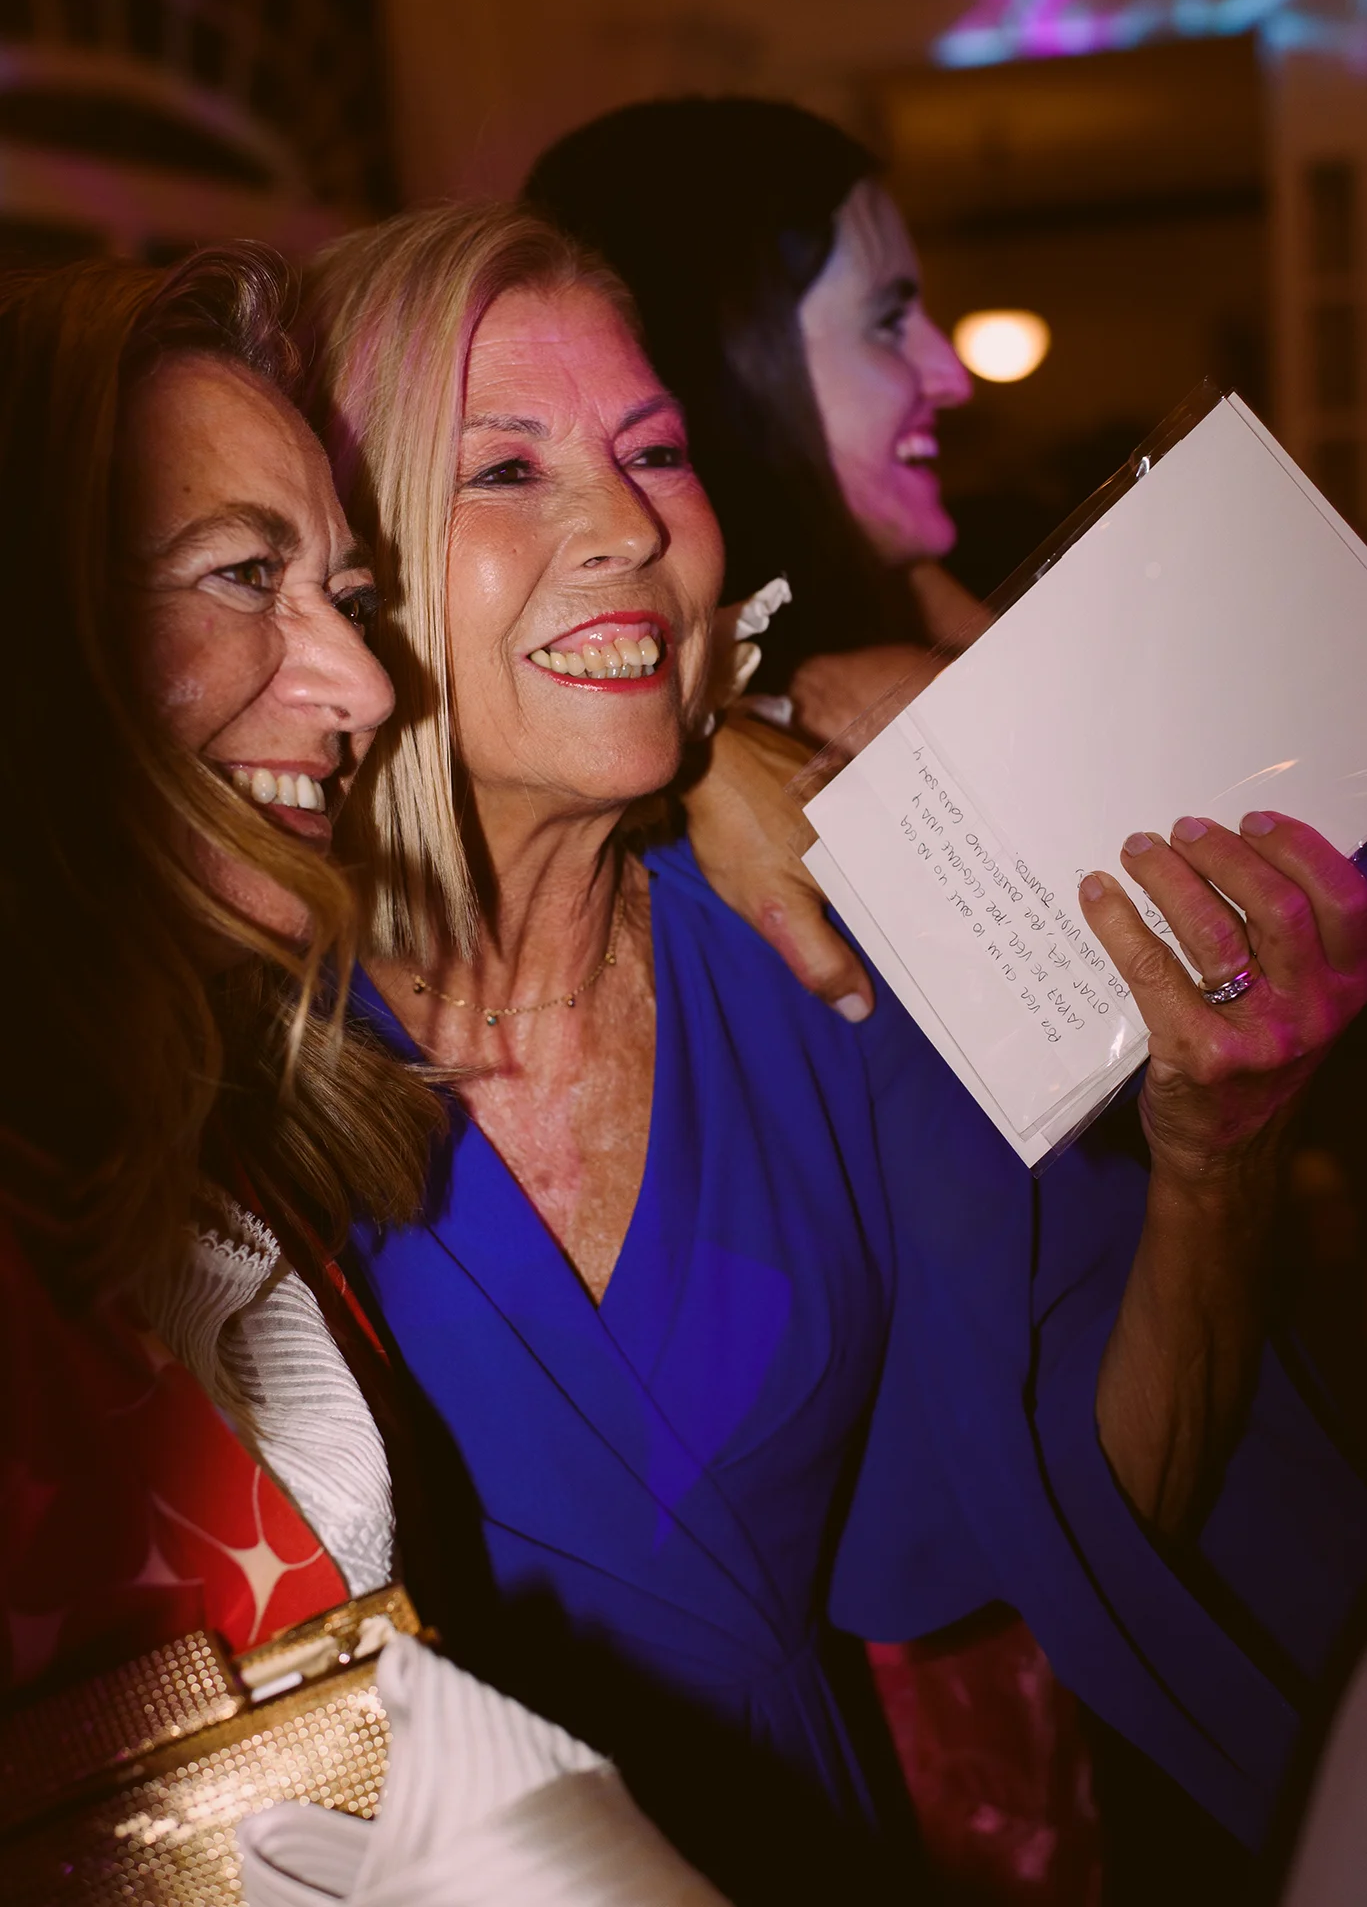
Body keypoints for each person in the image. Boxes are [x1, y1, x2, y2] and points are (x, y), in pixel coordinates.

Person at [301, 199, 1367, 1904]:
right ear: (332, 564)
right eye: (502, 468)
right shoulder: (229, 1030)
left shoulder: (822, 962)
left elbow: (1109, 1501)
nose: (628, 524)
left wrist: (1214, 1157)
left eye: (656, 450)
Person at [0, 249, 724, 1905]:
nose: (366, 686)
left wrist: (753, 742)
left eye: (345, 591)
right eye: (244, 574)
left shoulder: (220, 1129)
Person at [524, 94, 990, 747]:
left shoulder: (908, 626)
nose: (952, 379)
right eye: (887, 321)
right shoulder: (859, 713)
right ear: (727, 361)